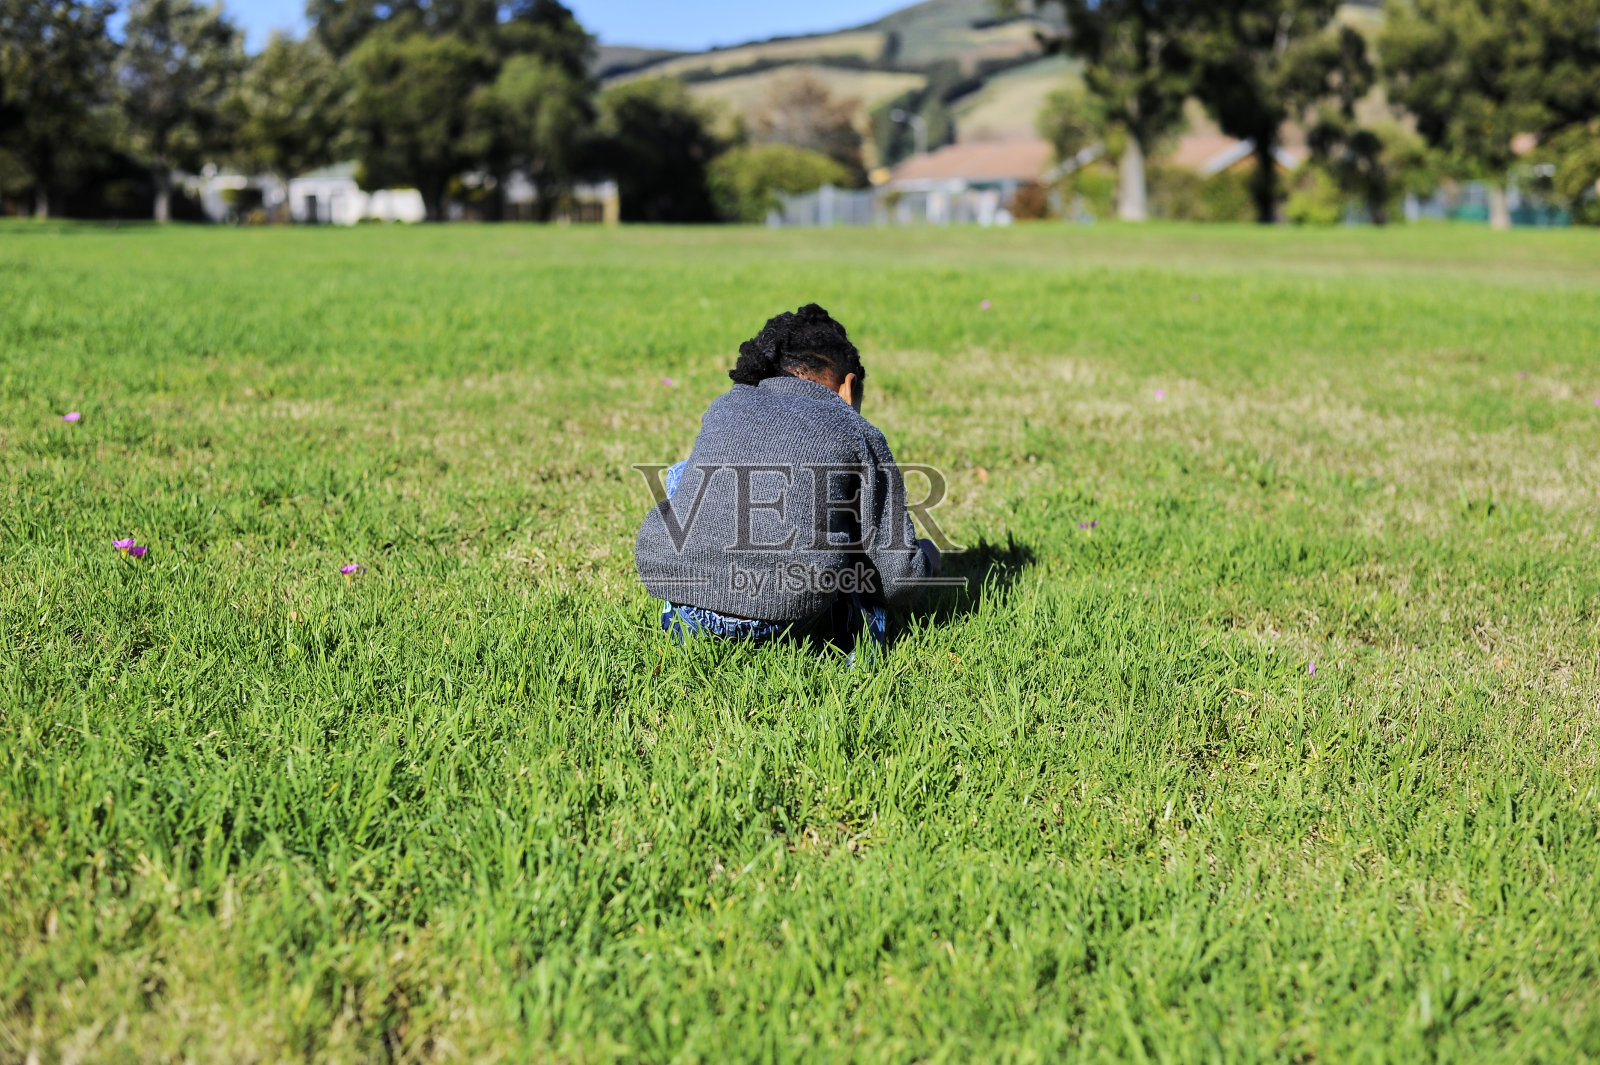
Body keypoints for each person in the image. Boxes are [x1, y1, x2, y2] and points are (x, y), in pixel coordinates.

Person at [634, 304, 941, 659]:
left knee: (681, 473)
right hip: (787, 617)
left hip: (686, 609)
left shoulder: (725, 405)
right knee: (858, 530)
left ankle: (689, 627)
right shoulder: (857, 430)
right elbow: (895, 578)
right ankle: (857, 654)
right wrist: (928, 559)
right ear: (848, 387)